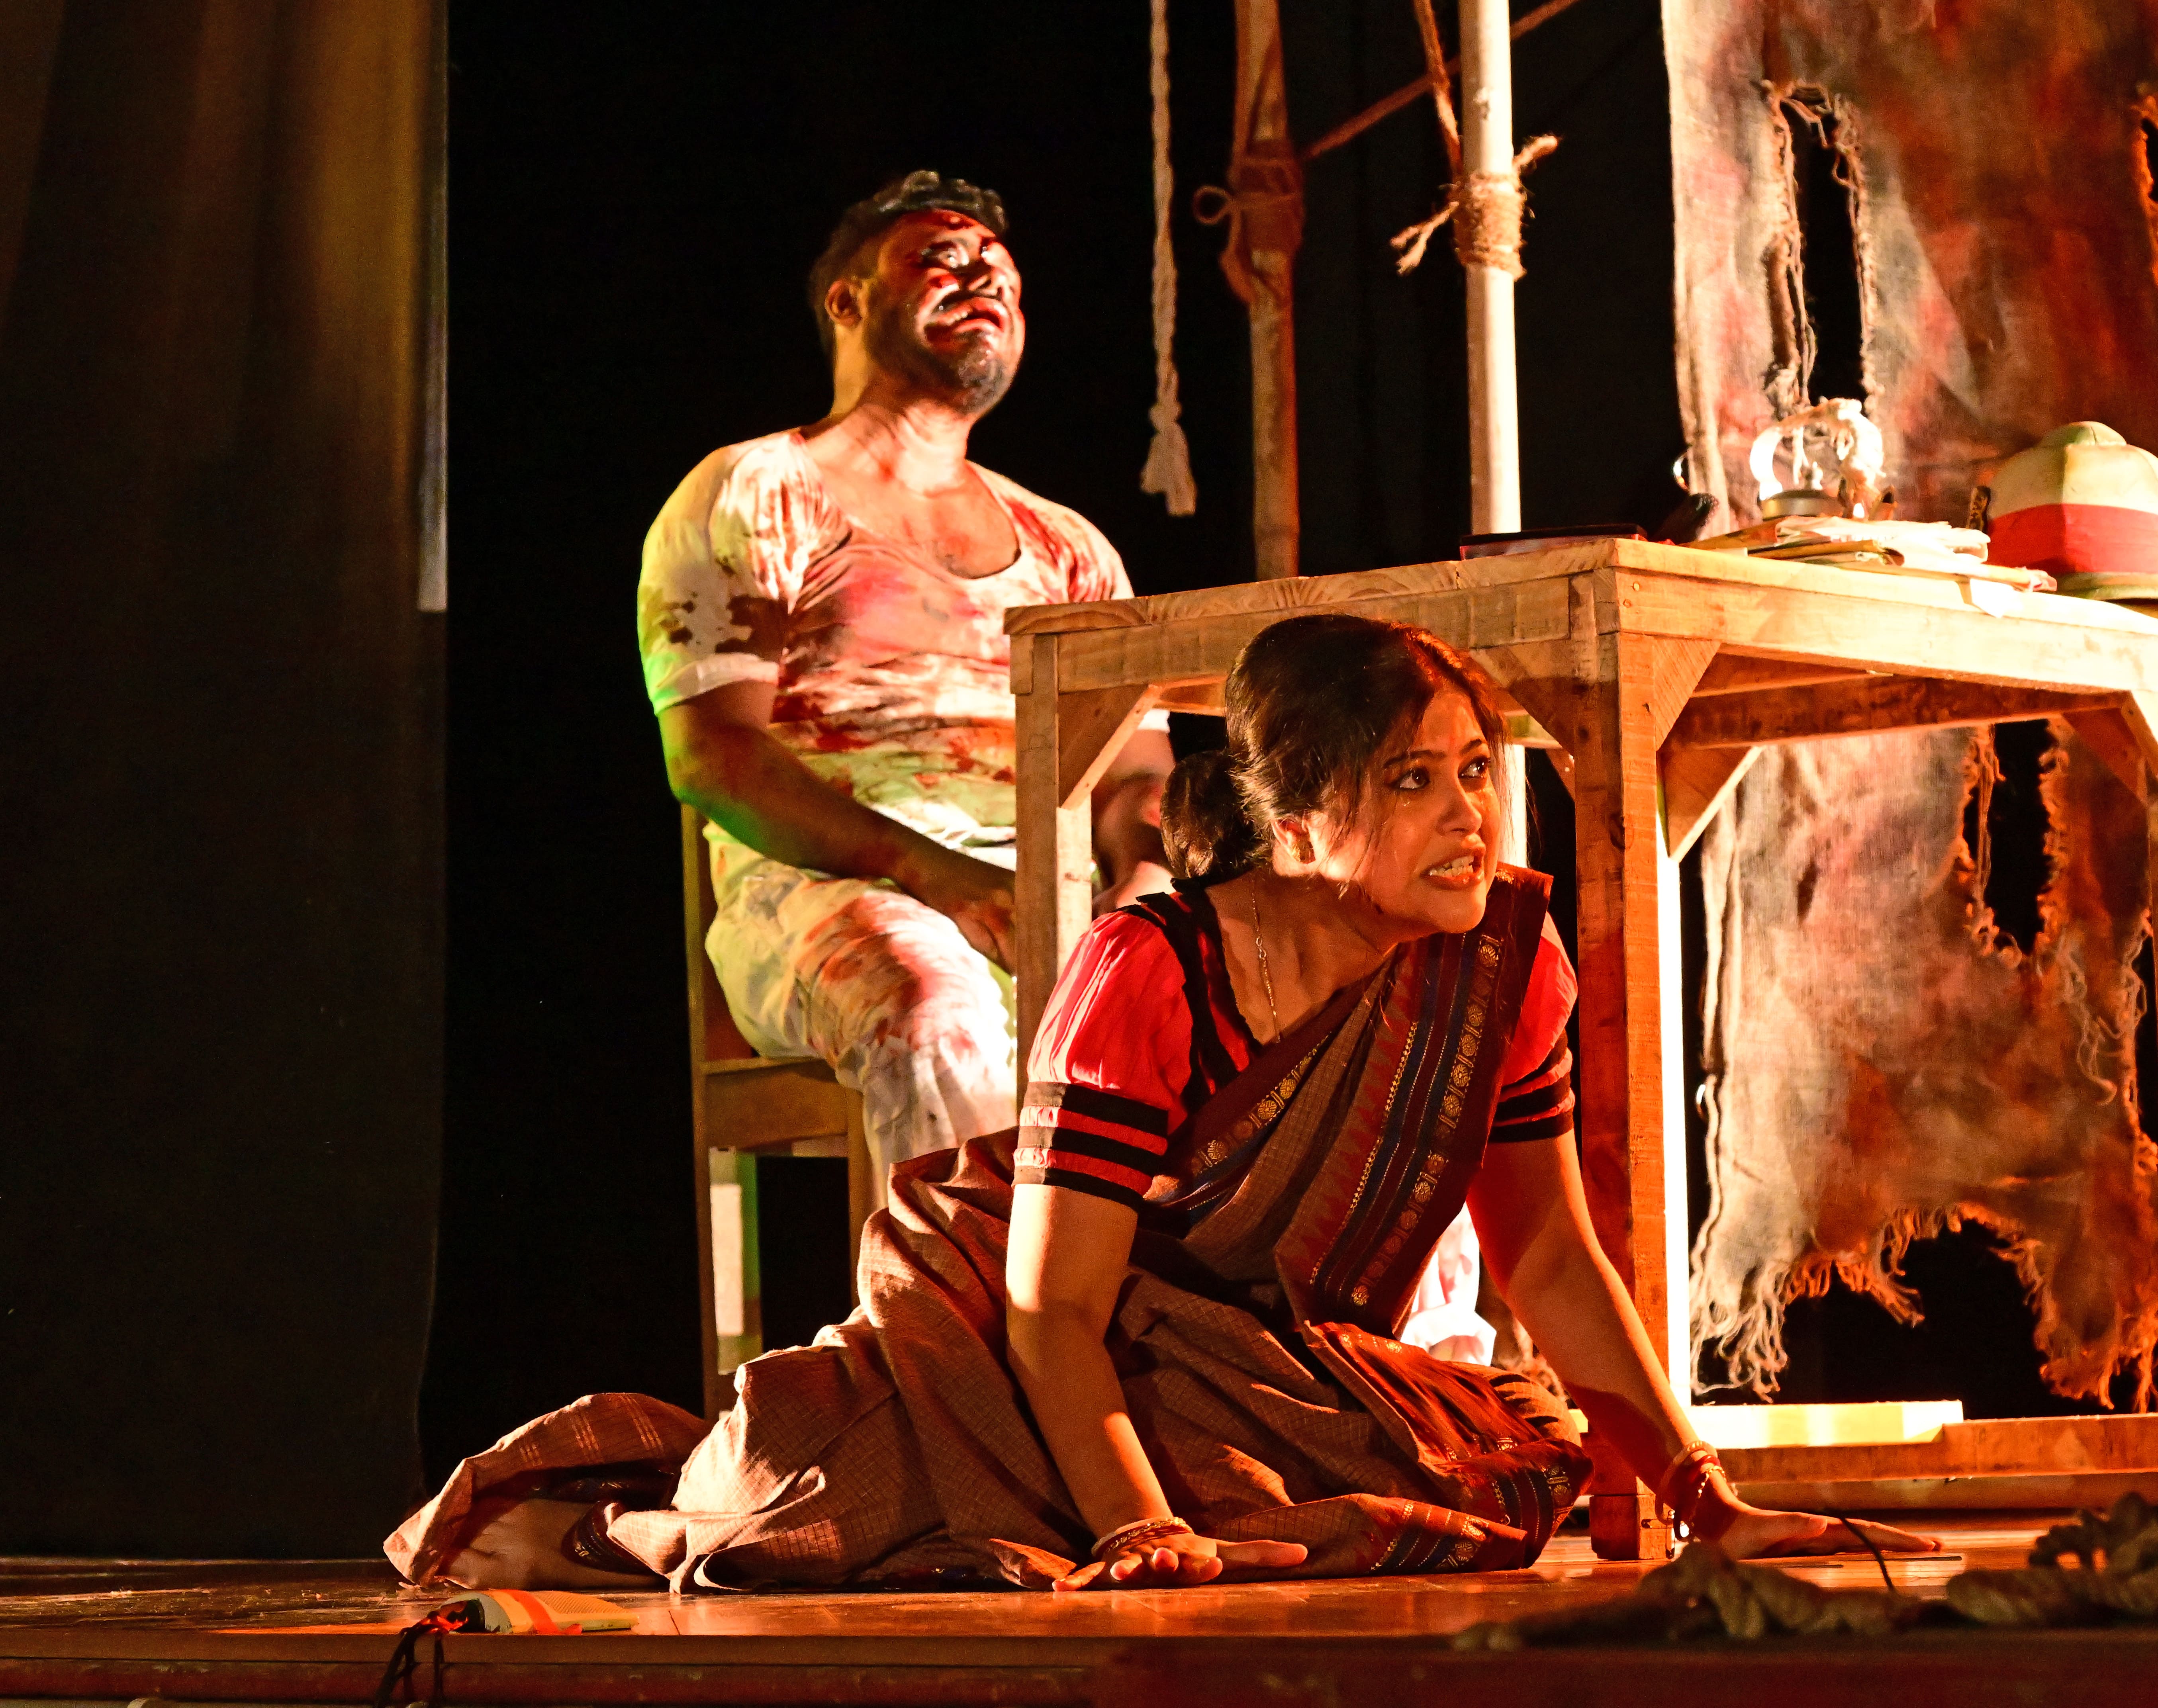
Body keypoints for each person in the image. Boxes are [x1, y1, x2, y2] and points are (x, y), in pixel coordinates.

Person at [389, 614, 1934, 1592]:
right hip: (1021, 1326)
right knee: (792, 1516)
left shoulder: (1503, 964)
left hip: (1266, 1366)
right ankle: (595, 1515)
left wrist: (1707, 1500)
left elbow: (1546, 1255)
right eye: (1415, 781)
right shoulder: (1154, 967)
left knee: (1479, 1474)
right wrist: (1140, 1529)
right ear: (1301, 817)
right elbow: (1053, 1308)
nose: (1471, 815)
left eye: (1476, 771)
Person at [641, 171, 1174, 1166]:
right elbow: (711, 756)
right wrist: (937, 874)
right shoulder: (761, 487)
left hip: (1040, 903)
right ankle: (974, 1275)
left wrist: (1140, 885)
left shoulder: (1068, 546)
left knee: (1273, 1013)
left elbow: (1135, 772)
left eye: (1003, 273)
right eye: (944, 260)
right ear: (847, 301)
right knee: (933, 1007)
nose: (985, 279)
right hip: (818, 893)